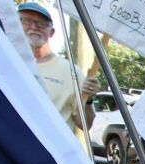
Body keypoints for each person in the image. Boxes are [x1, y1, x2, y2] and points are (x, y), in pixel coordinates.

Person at [16, 2, 98, 130]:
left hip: (48, 149)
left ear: (52, 32)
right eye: (26, 21)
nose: (33, 27)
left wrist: (88, 100)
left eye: (41, 24)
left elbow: (85, 125)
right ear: (16, 25)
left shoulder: (72, 72)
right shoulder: (3, 64)